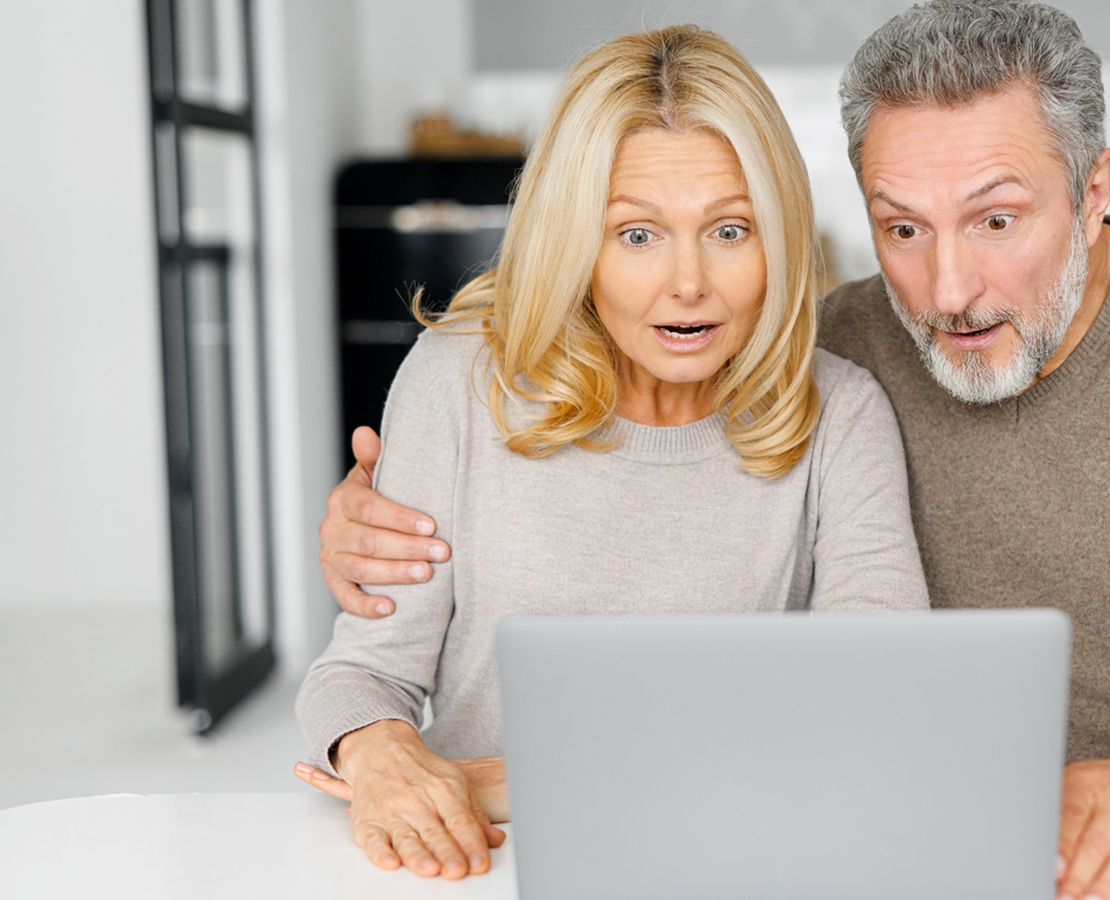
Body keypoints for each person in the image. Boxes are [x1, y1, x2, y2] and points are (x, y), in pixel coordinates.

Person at [313, 2, 1110, 898]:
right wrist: (368, 550)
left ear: (1095, 188)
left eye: (998, 219)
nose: (947, 288)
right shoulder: (836, 344)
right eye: (902, 227)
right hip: (880, 847)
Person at [293, 25, 929, 882]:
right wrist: (376, 753)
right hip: (485, 865)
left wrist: (510, 780)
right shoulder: (456, 382)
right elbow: (364, 673)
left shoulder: (842, 416)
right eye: (637, 235)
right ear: (576, 242)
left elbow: (876, 710)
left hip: (739, 860)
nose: (689, 282)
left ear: (779, 237)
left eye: (731, 231)